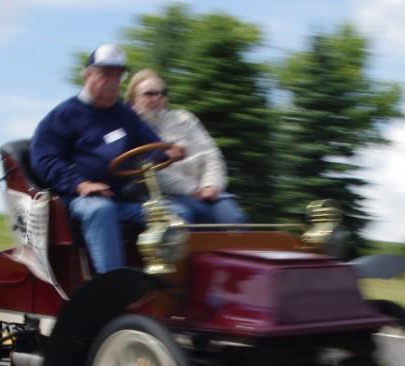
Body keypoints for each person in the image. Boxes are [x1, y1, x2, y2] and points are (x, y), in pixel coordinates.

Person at [29, 45, 184, 273]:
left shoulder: (125, 114)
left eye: (118, 74)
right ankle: (113, 289)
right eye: (105, 73)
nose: (113, 80)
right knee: (100, 210)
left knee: (177, 214)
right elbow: (44, 159)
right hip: (77, 200)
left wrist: (168, 153)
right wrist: (80, 184)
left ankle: (168, 287)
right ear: (87, 74)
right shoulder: (65, 114)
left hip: (121, 199)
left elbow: (150, 146)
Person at [126, 69, 247, 225]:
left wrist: (211, 185)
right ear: (133, 99)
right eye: (149, 94)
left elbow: (211, 154)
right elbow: (149, 171)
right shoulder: (132, 128)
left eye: (162, 93)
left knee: (234, 220)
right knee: (191, 215)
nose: (157, 98)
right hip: (167, 194)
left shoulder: (184, 118)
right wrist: (191, 190)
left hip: (206, 190)